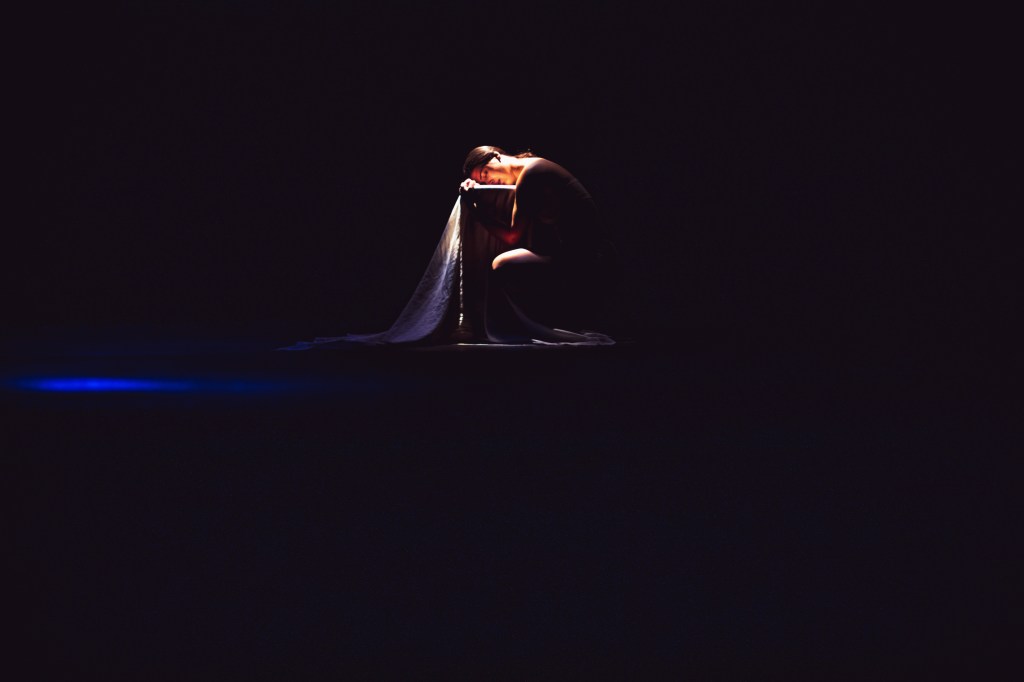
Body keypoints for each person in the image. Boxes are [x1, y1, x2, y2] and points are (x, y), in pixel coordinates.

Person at [456, 146, 617, 343]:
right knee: (503, 263)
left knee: (501, 265)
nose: (488, 181)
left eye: (485, 173)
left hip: (588, 257)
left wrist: (476, 210)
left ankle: (515, 327)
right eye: (482, 181)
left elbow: (511, 236)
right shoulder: (530, 168)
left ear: (496, 157)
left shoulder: (531, 174)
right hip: (576, 251)